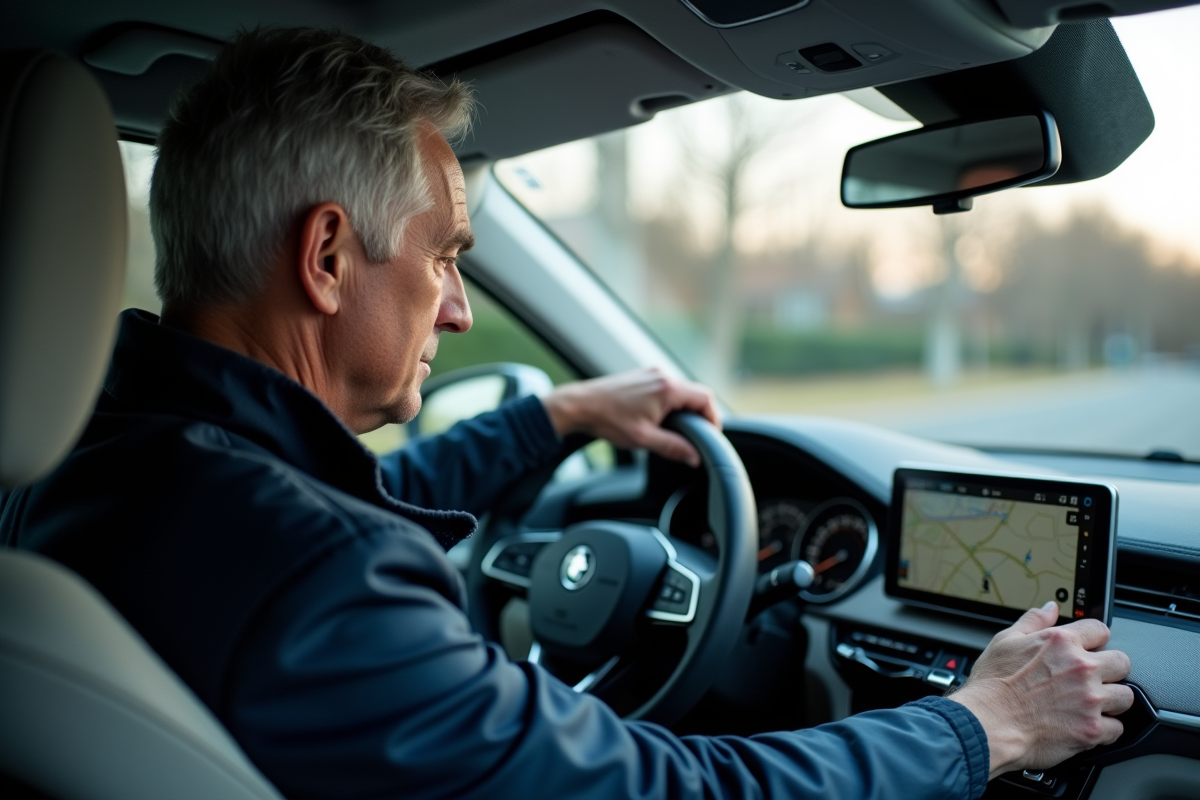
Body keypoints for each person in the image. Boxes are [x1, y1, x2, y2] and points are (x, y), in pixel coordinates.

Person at [0, 27, 1133, 800]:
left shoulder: (110, 459)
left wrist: (559, 416)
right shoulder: (319, 578)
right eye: (446, 258)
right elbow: (658, 787)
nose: (454, 309)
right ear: (331, 254)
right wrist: (982, 725)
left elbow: (343, 499)